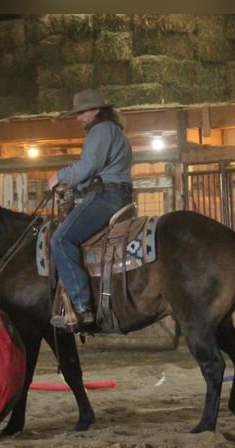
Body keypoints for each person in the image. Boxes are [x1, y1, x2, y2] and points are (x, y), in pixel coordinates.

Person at [48, 88, 134, 329]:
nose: (79, 118)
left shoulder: (100, 130)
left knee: (61, 239)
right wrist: (74, 190)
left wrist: (58, 176)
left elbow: (88, 166)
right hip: (116, 193)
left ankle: (82, 306)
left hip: (106, 196)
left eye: (82, 112)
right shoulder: (113, 131)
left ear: (96, 110)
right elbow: (93, 173)